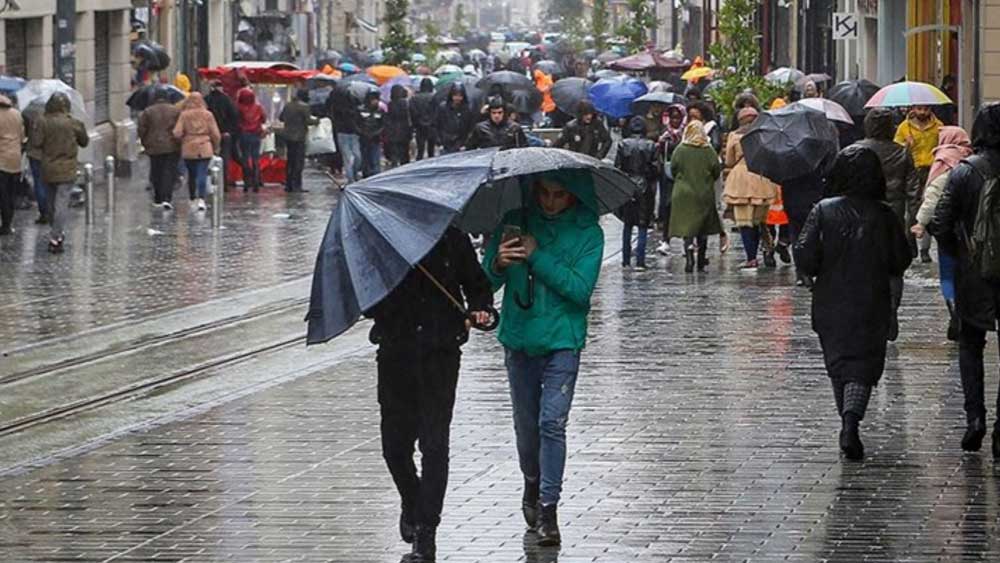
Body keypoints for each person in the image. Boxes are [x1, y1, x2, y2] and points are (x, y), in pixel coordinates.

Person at [482, 173, 604, 547]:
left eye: (559, 195)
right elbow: (484, 283)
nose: (550, 202)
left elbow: (579, 290)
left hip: (562, 340)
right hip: (519, 338)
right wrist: (498, 264)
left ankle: (548, 508)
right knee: (526, 426)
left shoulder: (588, 233)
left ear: (573, 196)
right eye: (544, 194)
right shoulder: (515, 222)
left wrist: (537, 255)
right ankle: (532, 482)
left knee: (552, 422)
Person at [366, 228, 493, 563]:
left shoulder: (453, 238)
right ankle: (412, 499)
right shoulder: (385, 241)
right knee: (394, 447)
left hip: (440, 355)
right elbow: (367, 303)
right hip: (396, 355)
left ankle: (426, 534)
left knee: (434, 445)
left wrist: (480, 310)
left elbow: (477, 286)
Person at [794, 145, 911, 461]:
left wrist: (818, 264)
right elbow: (901, 258)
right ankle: (850, 421)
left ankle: (847, 422)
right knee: (863, 365)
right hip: (871, 300)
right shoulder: (884, 214)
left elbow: (805, 255)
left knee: (839, 364)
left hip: (831, 300)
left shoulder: (823, 210)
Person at [930, 103, 1000, 456]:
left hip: (973, 272)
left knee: (971, 345)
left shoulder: (964, 172)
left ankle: (975, 418)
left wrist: (956, 253)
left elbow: (940, 223)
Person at [858, 107, 921, 339]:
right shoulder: (902, 154)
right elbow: (914, 192)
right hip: (894, 217)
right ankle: (891, 307)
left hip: (862, 220)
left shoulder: (855, 151)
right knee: (894, 268)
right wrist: (914, 225)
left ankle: (871, 313)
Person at [913, 126, 972, 341]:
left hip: (947, 228)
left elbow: (933, 196)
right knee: (966, 270)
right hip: (969, 228)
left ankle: (954, 306)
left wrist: (920, 222)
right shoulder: (971, 160)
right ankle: (965, 309)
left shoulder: (943, 160)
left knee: (947, 271)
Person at [31, 92, 88, 253]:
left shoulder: (43, 121)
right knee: (61, 203)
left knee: (50, 203)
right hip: (67, 168)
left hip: (48, 167)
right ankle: (56, 237)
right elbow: (84, 141)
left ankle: (56, 232)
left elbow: (36, 143)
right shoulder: (73, 123)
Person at [723, 107, 778, 270]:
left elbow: (729, 161)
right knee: (760, 221)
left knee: (744, 223)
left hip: (740, 179)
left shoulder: (734, 136)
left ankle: (751, 258)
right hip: (761, 177)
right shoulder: (765, 134)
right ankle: (767, 249)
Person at [669, 121, 726, 273]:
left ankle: (688, 253)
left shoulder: (680, 150)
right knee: (703, 226)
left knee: (687, 226)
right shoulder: (708, 151)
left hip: (683, 193)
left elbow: (673, 168)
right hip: (703, 192)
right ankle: (701, 258)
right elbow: (716, 170)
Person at [895, 104, 943, 262]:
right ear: (913, 109)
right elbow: (896, 150)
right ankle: (911, 246)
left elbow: (942, 146)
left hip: (932, 169)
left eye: (926, 109)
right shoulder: (904, 127)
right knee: (913, 209)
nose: (923, 112)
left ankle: (925, 249)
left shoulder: (939, 126)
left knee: (929, 207)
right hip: (912, 171)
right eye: (919, 109)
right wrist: (906, 145)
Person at [615, 116, 659, 270]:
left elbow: (617, 167)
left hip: (627, 185)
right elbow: (655, 169)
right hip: (644, 187)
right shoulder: (651, 145)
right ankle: (640, 261)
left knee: (627, 224)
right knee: (642, 224)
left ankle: (626, 260)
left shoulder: (623, 144)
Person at [173, 92, 221, 211]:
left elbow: (176, 132)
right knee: (202, 173)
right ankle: (201, 199)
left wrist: (182, 140)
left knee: (191, 174)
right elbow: (216, 134)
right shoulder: (208, 115)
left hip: (188, 147)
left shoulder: (184, 115)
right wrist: (215, 147)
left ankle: (192, 197)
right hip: (205, 146)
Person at [138, 87, 182, 209]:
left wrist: (145, 142)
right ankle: (167, 197)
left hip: (153, 146)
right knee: (169, 171)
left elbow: (142, 129)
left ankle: (158, 198)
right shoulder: (175, 111)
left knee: (156, 171)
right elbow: (179, 128)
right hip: (171, 145)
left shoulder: (148, 111)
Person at [655, 104, 686, 256]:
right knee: (667, 206)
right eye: (672, 117)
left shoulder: (686, 135)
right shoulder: (664, 135)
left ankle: (687, 241)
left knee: (684, 207)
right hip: (667, 176)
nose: (675, 121)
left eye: (677, 117)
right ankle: (666, 239)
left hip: (684, 175)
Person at [278, 89, 318, 192]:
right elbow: (308, 121)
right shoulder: (304, 107)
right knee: (298, 162)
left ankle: (288, 184)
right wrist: (317, 121)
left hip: (288, 136)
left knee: (290, 161)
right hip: (299, 137)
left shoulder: (288, 105)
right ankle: (297, 185)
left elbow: (281, 118)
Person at [204, 80, 241, 189]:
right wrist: (229, 131)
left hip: (209, 134)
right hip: (224, 133)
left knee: (209, 158)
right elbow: (234, 116)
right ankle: (223, 184)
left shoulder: (206, 100)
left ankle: (211, 183)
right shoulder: (227, 100)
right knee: (224, 158)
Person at [0, 95, 23, 236]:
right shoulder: (17, 114)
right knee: (10, 193)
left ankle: (5, 224)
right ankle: (8, 223)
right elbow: (22, 135)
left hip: (1, 159)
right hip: (15, 159)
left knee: (2, 194)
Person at [236, 87, 266, 192]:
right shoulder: (258, 107)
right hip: (256, 134)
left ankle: (246, 182)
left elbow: (237, 120)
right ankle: (256, 182)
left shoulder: (239, 108)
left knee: (245, 158)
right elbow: (264, 118)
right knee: (255, 159)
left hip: (244, 135)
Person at [436, 83, 474, 155]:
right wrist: (439, 142)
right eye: (455, 95)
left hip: (460, 144)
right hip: (446, 143)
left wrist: (465, 144)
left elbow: (470, 127)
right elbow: (438, 125)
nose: (457, 98)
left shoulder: (467, 109)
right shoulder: (443, 108)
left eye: (460, 95)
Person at [355, 91, 385, 178]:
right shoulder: (361, 110)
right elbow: (356, 123)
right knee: (365, 159)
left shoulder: (380, 111)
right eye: (373, 99)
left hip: (376, 138)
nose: (375, 102)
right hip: (364, 138)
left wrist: (376, 133)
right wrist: (362, 132)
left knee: (375, 159)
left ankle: (375, 177)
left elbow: (383, 124)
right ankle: (366, 175)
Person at [384, 84, 413, 167]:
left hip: (392, 131)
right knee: (404, 152)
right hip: (404, 130)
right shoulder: (405, 103)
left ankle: (394, 165)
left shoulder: (390, 104)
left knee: (394, 152)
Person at [410, 78, 437, 160]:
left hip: (419, 127)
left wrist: (417, 123)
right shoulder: (434, 97)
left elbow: (412, 112)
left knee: (420, 149)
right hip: (432, 126)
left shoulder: (414, 98)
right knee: (431, 150)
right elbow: (437, 112)